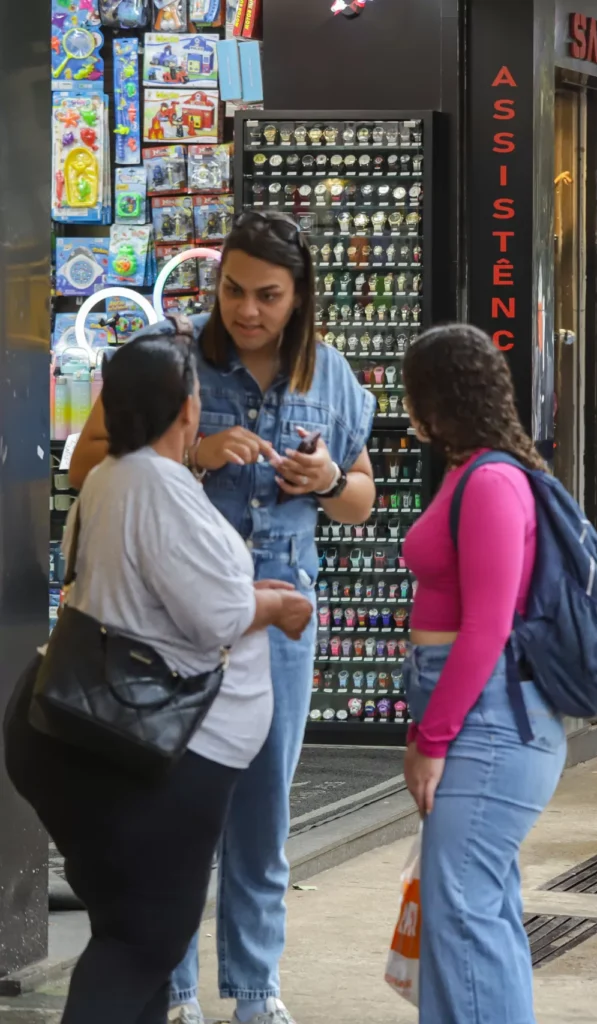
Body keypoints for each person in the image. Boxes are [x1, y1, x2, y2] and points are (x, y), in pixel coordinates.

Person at [68, 211, 377, 1024]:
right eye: (232, 290)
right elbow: (85, 461)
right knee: (172, 808)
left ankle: (255, 987)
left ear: (299, 295)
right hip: (169, 618)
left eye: (267, 296)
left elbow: (362, 500)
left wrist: (324, 482)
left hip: (275, 618)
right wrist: (193, 453)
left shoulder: (332, 375)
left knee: (264, 810)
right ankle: (172, 989)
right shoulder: (169, 364)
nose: (245, 310)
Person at [4, 335, 313, 1024]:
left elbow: (149, 595)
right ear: (185, 411)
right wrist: (276, 605)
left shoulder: (113, 475)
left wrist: (242, 593)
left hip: (78, 730)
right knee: (143, 941)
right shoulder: (156, 483)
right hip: (152, 747)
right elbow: (218, 615)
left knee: (130, 931)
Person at [395, 324, 566, 1023]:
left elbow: (488, 629)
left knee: (462, 916)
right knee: (475, 913)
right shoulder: (476, 473)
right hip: (476, 718)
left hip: (491, 724)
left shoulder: (493, 481)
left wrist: (433, 738)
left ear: (438, 398)